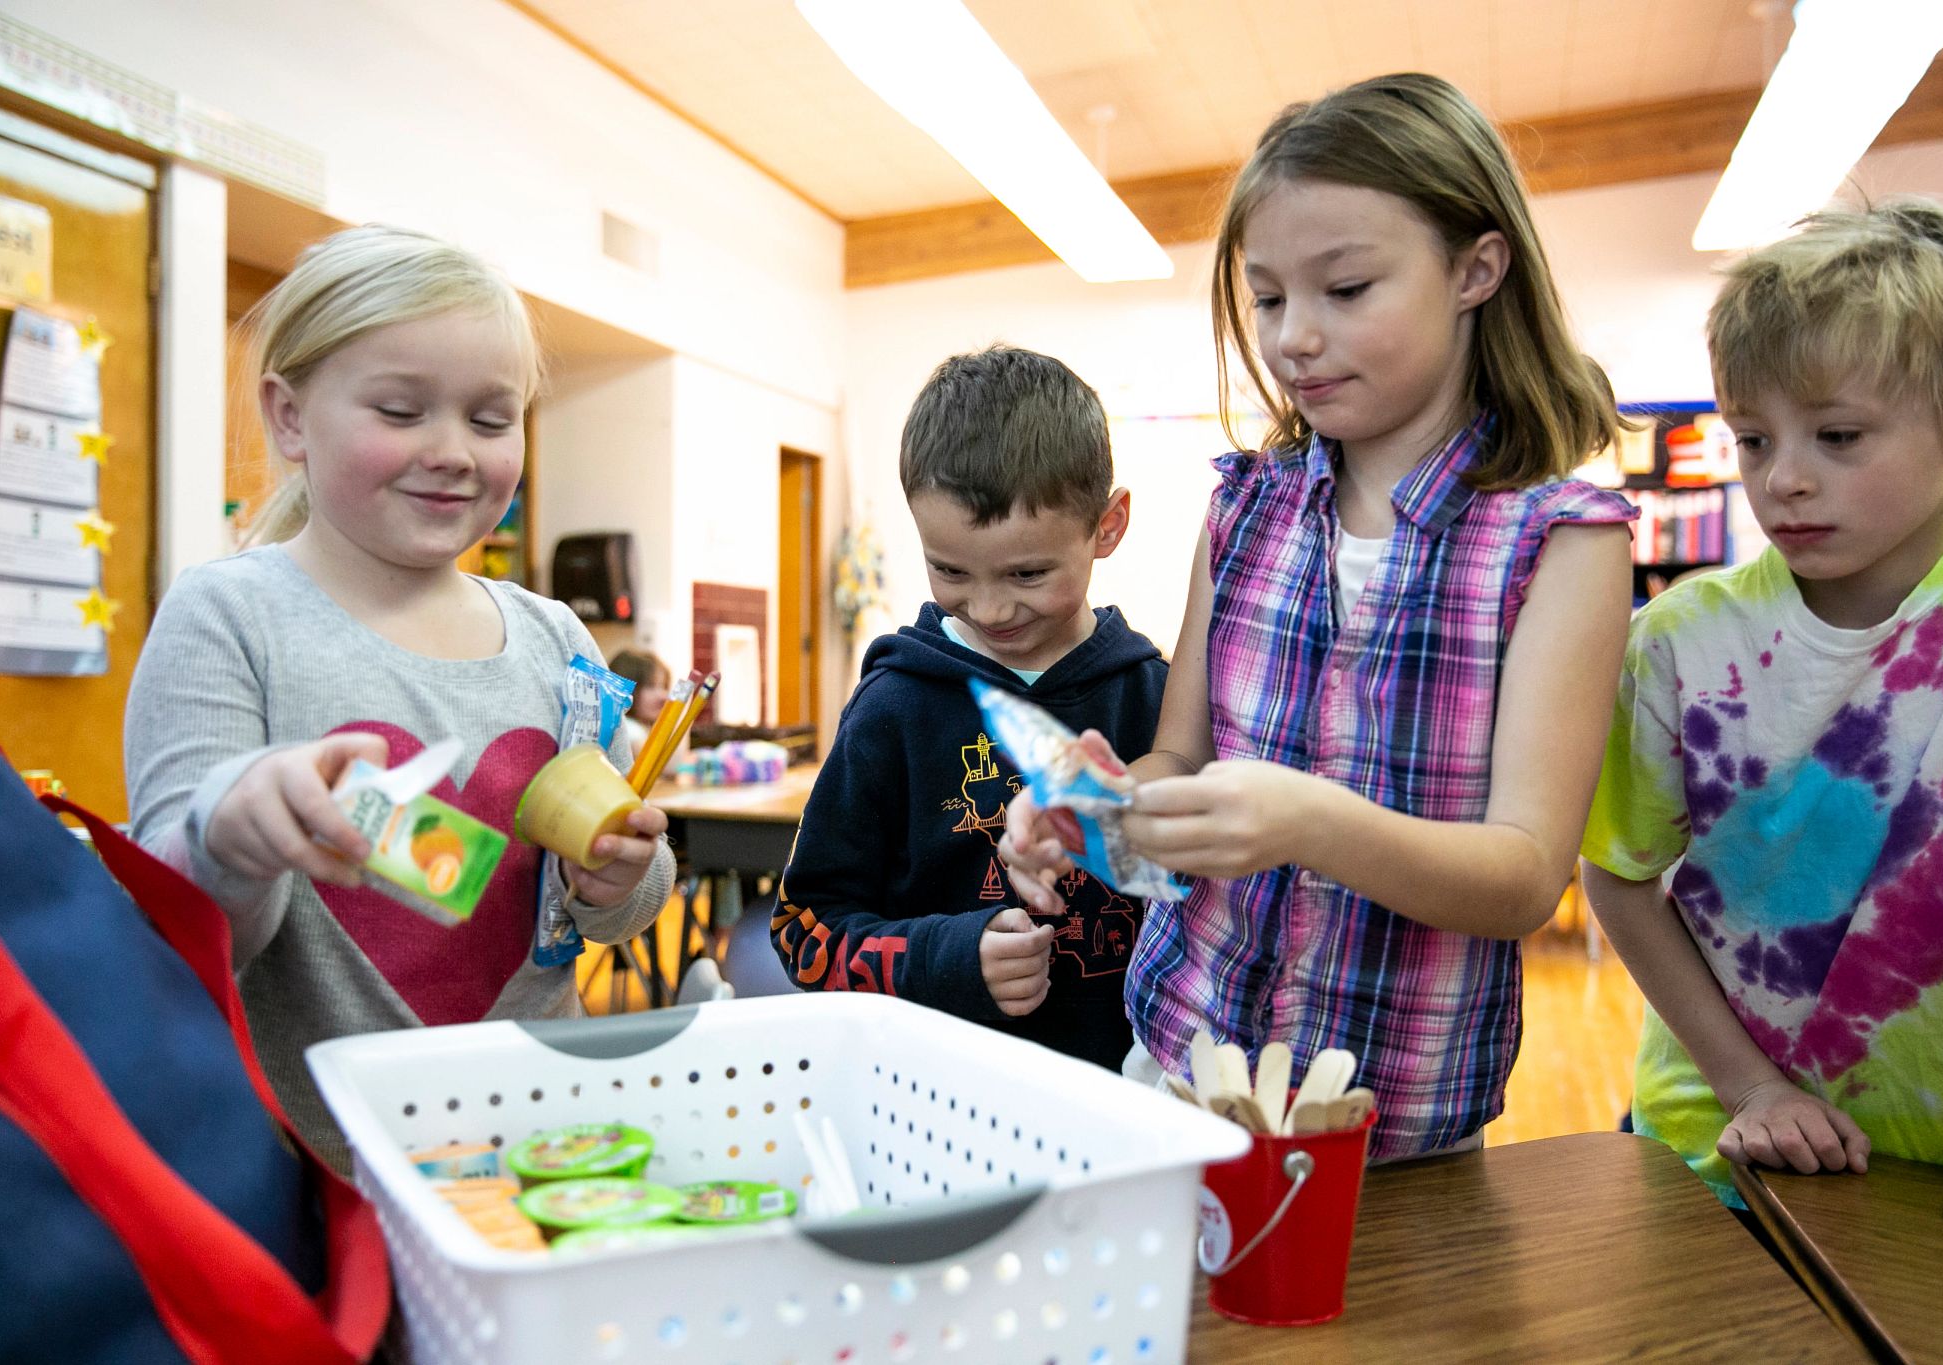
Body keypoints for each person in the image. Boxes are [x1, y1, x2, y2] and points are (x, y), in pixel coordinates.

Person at [1003, 74, 1636, 1160]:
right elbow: (1183, 758)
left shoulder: (1562, 545)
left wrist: (1306, 824)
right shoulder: (1242, 509)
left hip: (1390, 1122)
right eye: (1265, 297)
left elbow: (1526, 876)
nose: (1294, 337)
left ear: (1475, 270)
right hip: (1179, 1068)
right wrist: (1093, 809)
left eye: (1344, 289)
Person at [125, 225, 674, 1170]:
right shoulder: (229, 616)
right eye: (400, 410)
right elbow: (183, 934)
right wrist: (234, 831)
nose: (454, 451)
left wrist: (621, 877)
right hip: (310, 1166)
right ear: (290, 418)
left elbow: (613, 906)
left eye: (491, 421)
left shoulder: (556, 642)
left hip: (542, 1135)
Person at [1581, 199, 1943, 1227]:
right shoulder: (1679, 645)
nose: (1780, 479)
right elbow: (1616, 876)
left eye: (1836, 436)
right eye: (1749, 438)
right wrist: (1749, 1087)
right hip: (1723, 1140)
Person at [771, 347, 1166, 1070]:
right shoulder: (893, 706)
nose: (988, 607)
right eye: (950, 569)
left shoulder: (1154, 697)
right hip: (926, 1099)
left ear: (1107, 527)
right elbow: (804, 929)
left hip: (1121, 1104)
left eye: (1027, 572)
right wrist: (947, 958)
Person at [608, 648, 671, 746]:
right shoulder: (632, 733)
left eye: (664, 686)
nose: (663, 696)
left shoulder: (640, 729)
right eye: (650, 686)